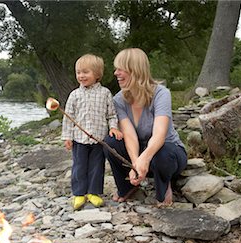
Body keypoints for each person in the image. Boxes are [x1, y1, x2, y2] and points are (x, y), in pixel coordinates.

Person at [103, 48, 187, 206]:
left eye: (120, 69)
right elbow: (129, 135)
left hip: (168, 152)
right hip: (141, 155)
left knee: (163, 152)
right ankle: (128, 186)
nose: (115, 73)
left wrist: (144, 158)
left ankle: (164, 184)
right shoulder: (118, 100)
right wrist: (136, 163)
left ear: (135, 70)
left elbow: (159, 135)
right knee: (111, 141)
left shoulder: (161, 94)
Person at [61, 54, 123, 210]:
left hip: (99, 137)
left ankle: (94, 192)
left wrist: (113, 127)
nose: (81, 76)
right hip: (79, 138)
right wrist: (67, 137)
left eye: (85, 72)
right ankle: (79, 193)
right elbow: (68, 117)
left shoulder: (105, 93)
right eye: (78, 72)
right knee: (79, 166)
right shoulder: (74, 95)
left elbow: (111, 115)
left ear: (97, 74)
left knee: (97, 165)